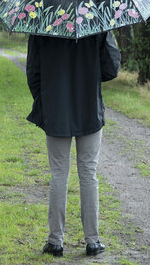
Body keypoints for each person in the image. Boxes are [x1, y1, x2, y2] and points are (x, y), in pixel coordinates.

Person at [26, 31, 121, 257]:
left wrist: (46, 99)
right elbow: (112, 67)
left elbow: (33, 73)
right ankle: (93, 241)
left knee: (59, 173)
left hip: (56, 109)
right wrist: (90, 77)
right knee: (88, 173)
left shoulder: (42, 22)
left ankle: (55, 241)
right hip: (89, 107)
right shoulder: (97, 20)